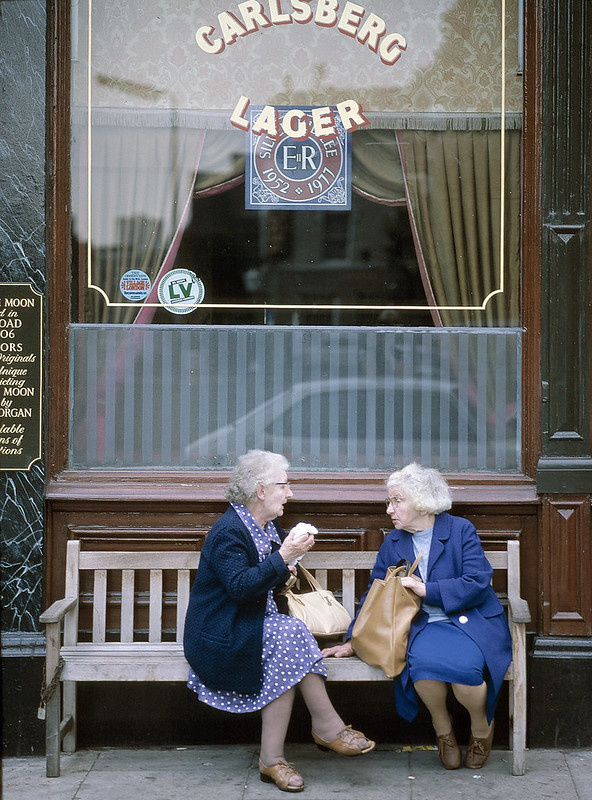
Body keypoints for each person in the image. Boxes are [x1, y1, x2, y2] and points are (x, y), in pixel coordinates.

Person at [183, 450, 375, 793]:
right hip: (221, 633)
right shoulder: (229, 531)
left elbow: (269, 583)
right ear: (261, 490)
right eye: (284, 485)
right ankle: (326, 728)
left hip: (256, 626)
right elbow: (240, 588)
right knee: (288, 635)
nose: (290, 493)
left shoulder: (268, 526)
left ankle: (273, 759)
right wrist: (283, 557)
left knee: (286, 643)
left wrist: (289, 563)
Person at [322, 462, 512, 771]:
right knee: (423, 669)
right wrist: (353, 640)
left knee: (466, 675)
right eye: (389, 501)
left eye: (396, 501)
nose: (389, 509)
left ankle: (481, 726)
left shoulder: (460, 530)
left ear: (423, 503)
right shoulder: (394, 541)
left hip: (470, 622)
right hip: (425, 626)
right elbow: (374, 593)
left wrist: (427, 590)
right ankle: (443, 729)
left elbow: (477, 582)